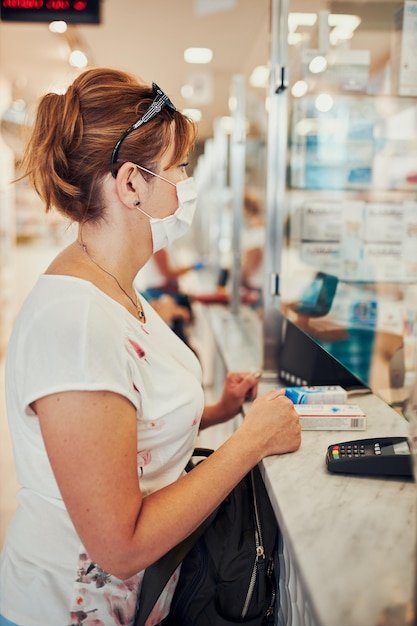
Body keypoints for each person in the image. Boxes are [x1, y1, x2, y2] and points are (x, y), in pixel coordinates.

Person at [0, 68, 301, 626]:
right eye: (178, 169)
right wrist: (251, 441)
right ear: (131, 184)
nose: (185, 185)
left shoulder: (113, 287)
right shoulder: (77, 324)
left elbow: (124, 426)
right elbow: (120, 545)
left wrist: (219, 412)